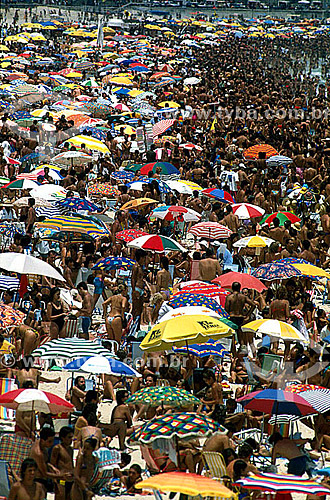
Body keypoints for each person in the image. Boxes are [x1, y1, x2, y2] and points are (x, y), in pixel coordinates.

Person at [30, 427, 61, 494]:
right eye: (49, 441)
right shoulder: (38, 453)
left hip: (42, 479)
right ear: (43, 440)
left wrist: (53, 468)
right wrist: (61, 477)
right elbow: (45, 473)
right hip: (36, 480)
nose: (52, 444)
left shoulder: (43, 447)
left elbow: (45, 462)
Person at [225, 282, 256, 347]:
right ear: (239, 288)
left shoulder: (229, 297)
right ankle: (242, 351)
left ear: (232, 288)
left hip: (232, 317)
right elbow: (253, 305)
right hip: (240, 317)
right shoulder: (243, 297)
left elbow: (226, 309)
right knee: (241, 336)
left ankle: (233, 353)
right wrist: (248, 315)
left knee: (232, 336)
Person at [50, 426, 74, 500]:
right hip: (61, 479)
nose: (71, 440)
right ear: (63, 438)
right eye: (69, 437)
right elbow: (52, 464)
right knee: (60, 497)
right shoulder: (57, 448)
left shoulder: (70, 449)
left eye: (72, 437)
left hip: (70, 479)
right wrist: (54, 480)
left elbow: (70, 463)